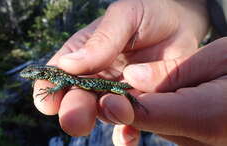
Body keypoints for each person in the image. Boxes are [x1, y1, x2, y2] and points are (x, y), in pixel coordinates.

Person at [33, 0, 227, 145]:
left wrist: (51, 92)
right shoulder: (55, 74)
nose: (30, 75)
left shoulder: (57, 76)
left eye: (32, 73)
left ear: (42, 73)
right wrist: (190, 11)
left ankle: (136, 100)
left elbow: (61, 84)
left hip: (106, 86)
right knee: (115, 103)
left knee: (123, 93)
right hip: (99, 86)